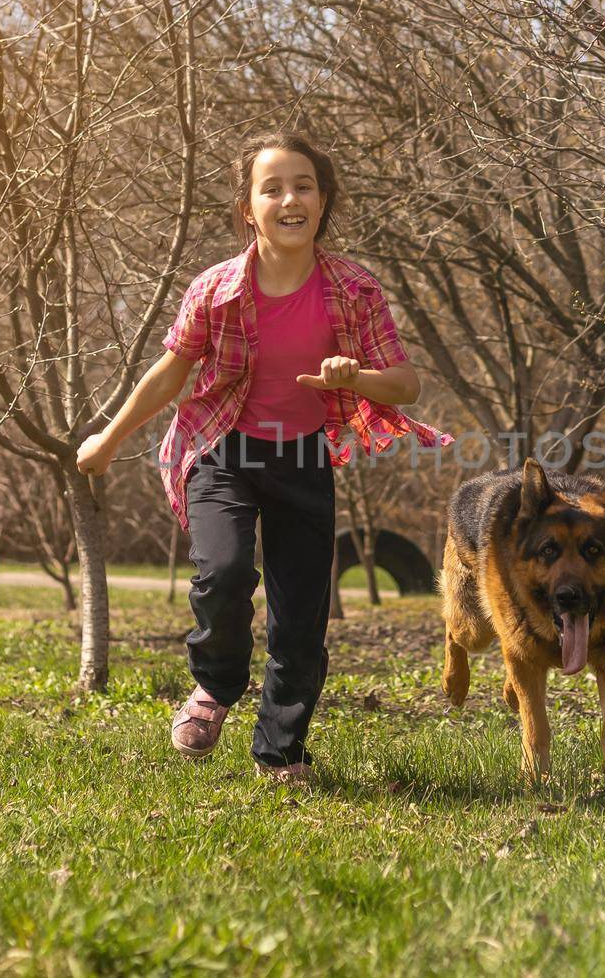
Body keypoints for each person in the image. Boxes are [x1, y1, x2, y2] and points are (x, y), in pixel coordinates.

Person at [75, 130, 453, 784]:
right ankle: (215, 686)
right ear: (248, 208)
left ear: (324, 199)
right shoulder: (216, 289)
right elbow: (170, 375)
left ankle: (280, 752)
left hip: (303, 461)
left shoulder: (355, 290)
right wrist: (108, 440)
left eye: (303, 185)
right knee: (222, 575)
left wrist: (351, 377)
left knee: (301, 619)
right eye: (272, 187)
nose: (290, 198)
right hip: (224, 452)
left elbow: (405, 384)